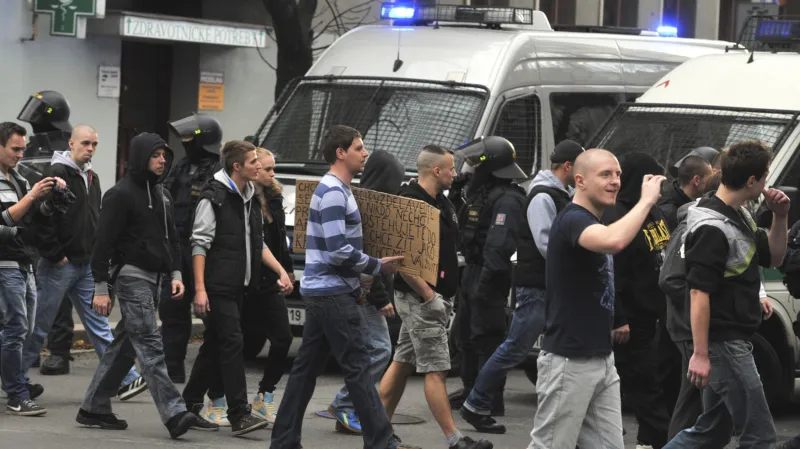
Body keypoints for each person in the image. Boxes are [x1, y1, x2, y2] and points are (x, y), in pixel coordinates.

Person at [269, 125, 410, 449]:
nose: (366, 153)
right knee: (359, 367)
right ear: (340, 153)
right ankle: (382, 442)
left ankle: (284, 441)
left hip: (324, 291)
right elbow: (337, 250)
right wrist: (377, 265)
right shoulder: (333, 192)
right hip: (332, 293)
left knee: (305, 371)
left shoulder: (337, 189)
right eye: (359, 148)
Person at [529, 149, 666, 449]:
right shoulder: (572, 219)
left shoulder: (596, 219)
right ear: (580, 181)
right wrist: (645, 201)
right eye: (605, 174)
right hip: (569, 359)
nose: (615, 181)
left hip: (602, 358)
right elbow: (614, 242)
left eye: (618, 174)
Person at [78, 132, 207, 439]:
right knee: (150, 344)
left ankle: (94, 407)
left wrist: (176, 273)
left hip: (156, 279)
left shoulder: (162, 194)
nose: (162, 161)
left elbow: (172, 238)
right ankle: (174, 413)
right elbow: (102, 243)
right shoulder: (119, 194)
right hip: (131, 277)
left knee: (125, 345)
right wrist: (100, 287)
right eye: (155, 155)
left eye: (165, 156)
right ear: (140, 157)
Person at [663, 140, 787, 449]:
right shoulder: (712, 227)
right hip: (723, 343)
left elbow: (773, 257)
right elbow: (698, 293)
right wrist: (701, 354)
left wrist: (780, 216)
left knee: (712, 432)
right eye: (765, 175)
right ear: (752, 181)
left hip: (732, 340)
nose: (767, 182)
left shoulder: (738, 214)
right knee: (759, 436)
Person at [461, 139, 583, 434]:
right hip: (535, 285)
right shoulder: (543, 196)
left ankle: (577, 414)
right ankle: (476, 402)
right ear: (568, 167)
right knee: (514, 348)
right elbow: (546, 244)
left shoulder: (557, 194)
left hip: (545, 284)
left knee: (557, 350)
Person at [22, 125, 147, 403]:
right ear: (71, 144)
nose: (90, 149)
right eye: (85, 143)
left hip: (86, 264)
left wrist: (97, 254)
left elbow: (94, 219)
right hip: (59, 266)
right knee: (38, 327)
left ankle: (125, 379)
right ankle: (16, 380)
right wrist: (55, 254)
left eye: (94, 144)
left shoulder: (91, 176)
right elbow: (41, 218)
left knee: (99, 325)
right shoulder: (57, 173)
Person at [379, 145, 492, 449]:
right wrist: (429, 297)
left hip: (434, 298)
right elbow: (402, 260)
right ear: (436, 170)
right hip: (421, 300)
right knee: (437, 369)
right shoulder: (410, 202)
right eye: (451, 168)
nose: (455, 174)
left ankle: (377, 434)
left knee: (402, 362)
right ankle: (455, 440)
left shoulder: (442, 202)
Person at [183, 140, 292, 436]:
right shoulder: (214, 197)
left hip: (239, 286)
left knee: (214, 345)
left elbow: (258, 243)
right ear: (237, 167)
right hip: (218, 286)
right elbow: (199, 245)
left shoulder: (249, 196)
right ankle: (239, 414)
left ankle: (188, 406)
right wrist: (200, 289)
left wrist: (281, 271)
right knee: (233, 342)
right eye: (253, 161)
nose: (258, 166)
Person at [448, 136, 527, 414]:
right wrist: (455, 193)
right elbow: (461, 226)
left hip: (490, 275)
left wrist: (483, 285)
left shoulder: (509, 199)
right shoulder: (483, 193)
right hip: (472, 270)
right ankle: (470, 391)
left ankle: (489, 399)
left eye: (476, 165)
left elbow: (499, 246)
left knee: (487, 338)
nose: (472, 169)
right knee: (466, 337)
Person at [328, 149, 402, 435]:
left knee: (363, 350)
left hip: (357, 290)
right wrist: (380, 298)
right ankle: (346, 404)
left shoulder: (361, 200)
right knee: (379, 348)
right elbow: (367, 256)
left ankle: (350, 409)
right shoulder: (365, 207)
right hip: (364, 291)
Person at [602, 152, 672, 449]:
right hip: (631, 316)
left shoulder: (653, 212)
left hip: (655, 313)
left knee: (651, 378)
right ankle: (656, 439)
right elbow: (610, 271)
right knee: (642, 382)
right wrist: (618, 317)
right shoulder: (616, 215)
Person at [0, 121, 66, 416]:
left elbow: (34, 219)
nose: (20, 154)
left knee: (21, 330)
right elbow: (5, 220)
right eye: (15, 149)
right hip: (4, 264)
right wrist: (31, 196)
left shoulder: (18, 178)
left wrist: (50, 201)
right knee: (15, 328)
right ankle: (16, 394)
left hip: (25, 261)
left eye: (22, 149)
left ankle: (15, 382)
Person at [160, 113, 223, 386]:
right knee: (172, 310)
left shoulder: (219, 170)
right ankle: (172, 368)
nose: (186, 143)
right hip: (176, 248)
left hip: (203, 251)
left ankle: (214, 370)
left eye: (190, 138)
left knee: (212, 314)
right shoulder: (180, 167)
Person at [17, 89, 76, 375]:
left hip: (53, 231)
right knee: (28, 296)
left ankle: (60, 352)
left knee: (57, 297)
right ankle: (30, 350)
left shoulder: (65, 148)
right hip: (28, 229)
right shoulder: (31, 147)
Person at [246, 147, 296, 425]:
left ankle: (265, 395)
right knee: (233, 343)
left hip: (270, 280)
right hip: (246, 280)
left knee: (283, 338)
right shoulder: (243, 199)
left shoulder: (275, 198)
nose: (273, 174)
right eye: (268, 169)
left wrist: (287, 270)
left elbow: (280, 238)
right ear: (253, 169)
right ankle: (214, 398)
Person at [660, 152, 715, 232]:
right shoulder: (669, 213)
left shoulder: (677, 199)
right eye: (709, 179)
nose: (710, 183)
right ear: (696, 180)